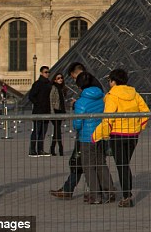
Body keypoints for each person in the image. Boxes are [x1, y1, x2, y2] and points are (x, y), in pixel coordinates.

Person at [96, 68, 149, 207]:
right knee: (125, 164)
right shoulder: (135, 94)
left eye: (109, 80)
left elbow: (108, 117)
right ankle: (127, 194)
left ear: (113, 81)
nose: (108, 83)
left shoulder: (112, 95)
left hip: (117, 135)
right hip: (132, 135)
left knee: (122, 165)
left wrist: (104, 135)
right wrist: (139, 127)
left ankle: (127, 196)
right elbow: (145, 111)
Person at [72, 71, 115, 205]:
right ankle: (110, 192)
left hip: (87, 137)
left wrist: (76, 127)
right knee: (101, 163)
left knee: (88, 166)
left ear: (80, 87)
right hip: (101, 135)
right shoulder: (102, 96)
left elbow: (77, 123)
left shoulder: (81, 102)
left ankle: (95, 195)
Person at [50, 62, 88, 199]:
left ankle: (103, 190)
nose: (73, 80)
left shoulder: (88, 88)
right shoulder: (92, 87)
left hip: (86, 132)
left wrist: (76, 105)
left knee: (82, 161)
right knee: (82, 162)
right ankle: (68, 189)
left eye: (73, 76)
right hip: (90, 132)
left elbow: (84, 110)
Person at [26, 65, 53, 157]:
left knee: (43, 132)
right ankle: (32, 150)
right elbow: (31, 96)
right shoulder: (37, 84)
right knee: (36, 131)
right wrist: (38, 103)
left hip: (46, 111)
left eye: (48, 72)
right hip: (38, 111)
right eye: (46, 72)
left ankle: (40, 149)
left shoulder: (49, 84)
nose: (47, 74)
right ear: (41, 73)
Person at [49, 72, 67, 156]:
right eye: (58, 78)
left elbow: (62, 102)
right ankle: (60, 148)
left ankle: (53, 148)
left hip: (60, 111)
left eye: (61, 78)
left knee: (57, 131)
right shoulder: (54, 88)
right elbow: (50, 100)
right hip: (55, 112)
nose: (60, 79)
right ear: (55, 80)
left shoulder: (62, 88)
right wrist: (52, 113)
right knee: (57, 130)